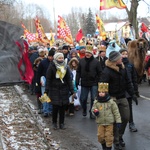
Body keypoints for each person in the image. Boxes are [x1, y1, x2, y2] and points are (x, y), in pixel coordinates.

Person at [99, 51, 134, 150]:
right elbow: (102, 86)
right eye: (119, 57)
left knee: (126, 117)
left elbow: (128, 81)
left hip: (122, 97)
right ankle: (116, 140)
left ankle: (120, 135)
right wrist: (103, 99)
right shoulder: (106, 71)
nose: (122, 58)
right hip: (111, 98)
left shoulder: (123, 68)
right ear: (115, 60)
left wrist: (133, 94)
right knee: (114, 120)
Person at [45, 52, 75, 129]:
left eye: (62, 58)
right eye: (59, 58)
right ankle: (54, 123)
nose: (61, 59)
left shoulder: (66, 67)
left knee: (63, 108)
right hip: (54, 89)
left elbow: (69, 79)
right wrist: (46, 91)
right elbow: (48, 79)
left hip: (64, 89)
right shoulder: (52, 67)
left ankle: (62, 123)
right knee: (55, 107)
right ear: (56, 58)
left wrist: (72, 90)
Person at [92, 82, 121, 150]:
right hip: (100, 122)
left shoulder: (111, 102)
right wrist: (95, 112)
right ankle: (103, 146)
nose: (101, 93)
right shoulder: (96, 102)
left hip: (109, 123)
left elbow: (116, 112)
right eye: (100, 92)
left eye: (103, 92)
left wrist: (118, 121)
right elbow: (93, 109)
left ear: (106, 93)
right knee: (100, 136)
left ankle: (108, 148)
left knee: (109, 137)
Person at [76, 45, 102, 119]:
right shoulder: (81, 61)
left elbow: (100, 72)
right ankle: (84, 109)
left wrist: (99, 81)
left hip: (94, 82)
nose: (87, 54)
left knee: (93, 98)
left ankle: (92, 111)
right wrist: (77, 81)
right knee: (83, 98)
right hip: (84, 82)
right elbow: (78, 72)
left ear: (92, 54)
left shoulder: (96, 62)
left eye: (89, 53)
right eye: (87, 53)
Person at [119, 48, 138, 132]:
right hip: (119, 90)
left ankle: (131, 123)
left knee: (129, 107)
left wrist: (135, 91)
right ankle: (118, 125)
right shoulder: (117, 64)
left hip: (129, 88)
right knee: (119, 108)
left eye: (126, 54)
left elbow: (134, 78)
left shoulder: (130, 65)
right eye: (123, 54)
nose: (125, 55)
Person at [36, 49, 55, 117]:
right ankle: (45, 110)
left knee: (51, 96)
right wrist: (38, 82)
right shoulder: (43, 62)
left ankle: (50, 109)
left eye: (52, 56)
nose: (50, 58)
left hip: (52, 82)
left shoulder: (55, 63)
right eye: (50, 56)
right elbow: (38, 73)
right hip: (44, 81)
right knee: (44, 96)